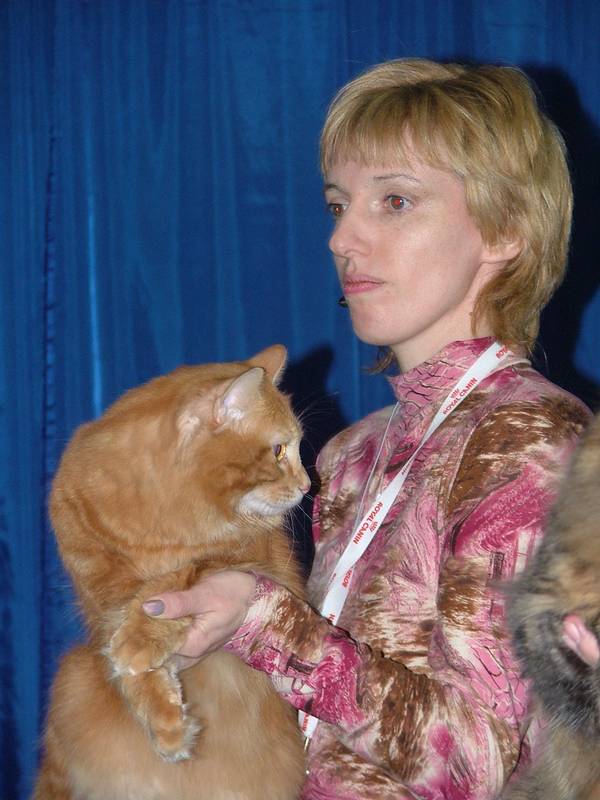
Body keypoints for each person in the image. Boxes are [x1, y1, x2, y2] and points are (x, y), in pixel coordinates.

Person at [143, 59, 596, 798]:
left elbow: (478, 763)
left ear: (506, 229)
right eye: (337, 204)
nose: (342, 238)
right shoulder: (352, 454)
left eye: (394, 200)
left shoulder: (530, 438)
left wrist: (263, 622)